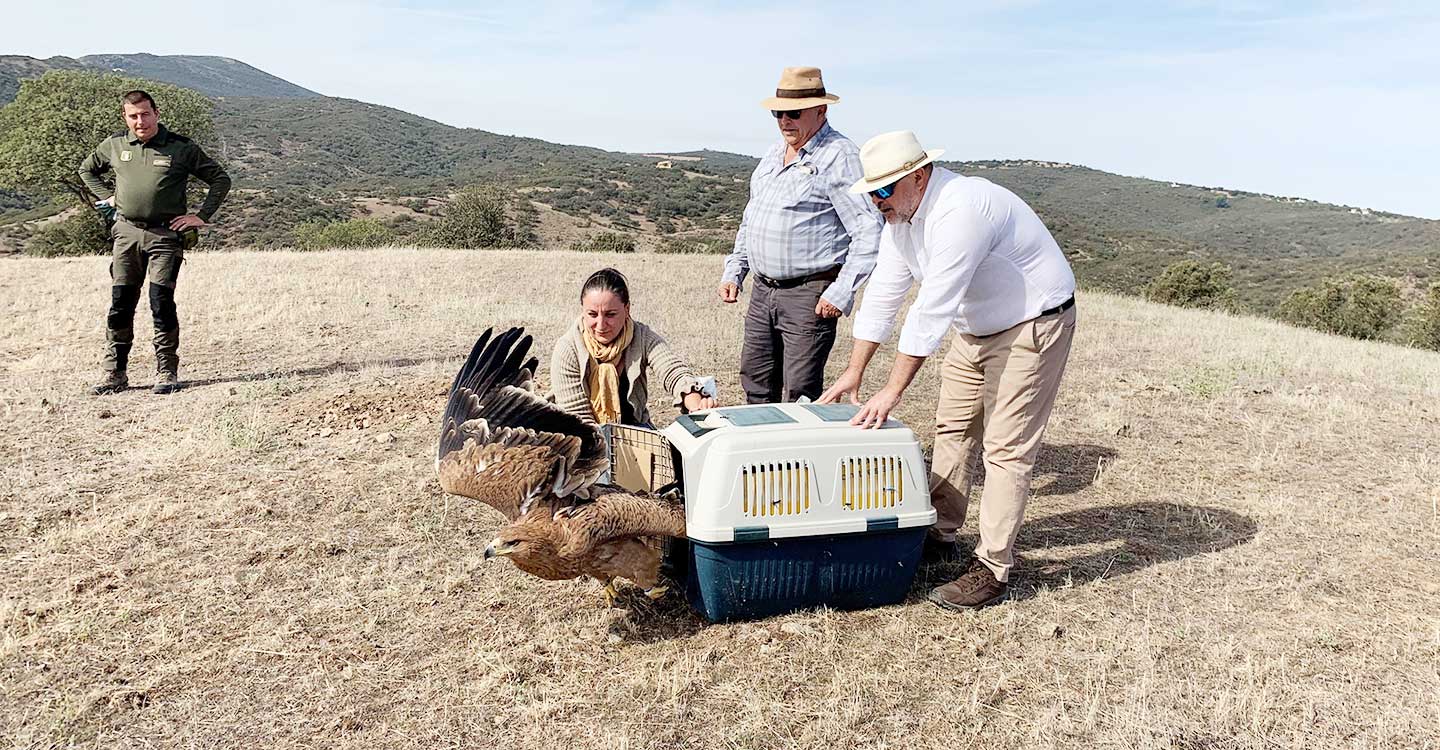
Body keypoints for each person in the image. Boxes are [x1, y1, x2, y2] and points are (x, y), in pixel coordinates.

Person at [818, 131, 1078, 611]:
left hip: (1032, 322)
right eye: (871, 192)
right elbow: (884, 295)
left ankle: (993, 568)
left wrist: (892, 390)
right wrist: (855, 372)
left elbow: (930, 310)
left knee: (1006, 448)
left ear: (918, 176)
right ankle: (938, 532)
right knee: (953, 429)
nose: (877, 202)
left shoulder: (960, 212)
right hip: (975, 326)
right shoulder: (901, 216)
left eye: (884, 191)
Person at [717, 66, 881, 404]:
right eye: (778, 113)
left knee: (800, 391)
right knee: (756, 379)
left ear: (821, 111)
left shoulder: (840, 156)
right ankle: (757, 452)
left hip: (809, 294)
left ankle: (795, 456)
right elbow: (752, 218)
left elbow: (868, 232)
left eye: (794, 113)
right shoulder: (773, 154)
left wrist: (841, 291)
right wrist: (736, 269)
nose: (784, 121)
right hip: (764, 290)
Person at [80, 89, 231, 395]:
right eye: (133, 116)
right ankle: (115, 373)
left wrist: (201, 215)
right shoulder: (115, 144)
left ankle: (166, 370)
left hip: (166, 236)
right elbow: (87, 169)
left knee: (161, 302)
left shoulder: (181, 147)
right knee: (121, 303)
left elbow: (220, 179)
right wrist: (106, 196)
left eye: (145, 114)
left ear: (156, 113)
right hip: (126, 233)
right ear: (125, 117)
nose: (140, 121)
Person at [551, 268, 718, 428]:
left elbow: (673, 371)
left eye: (610, 314)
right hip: (585, 437)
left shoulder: (642, 337)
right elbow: (577, 419)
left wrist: (695, 402)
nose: (601, 325)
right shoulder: (567, 349)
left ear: (627, 309)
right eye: (592, 314)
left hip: (635, 429)